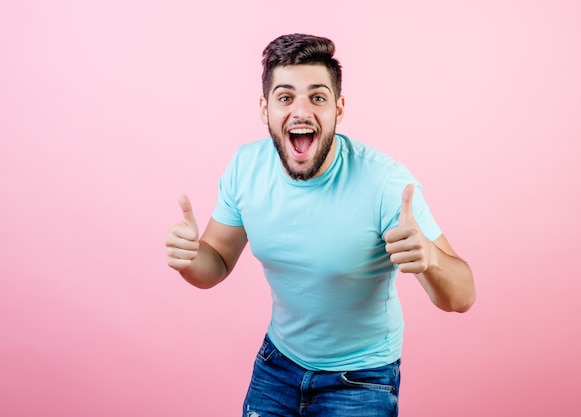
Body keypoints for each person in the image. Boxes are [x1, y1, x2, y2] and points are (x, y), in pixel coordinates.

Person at [165, 33, 476, 417]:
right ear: (264, 109)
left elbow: (462, 297)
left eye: (317, 97)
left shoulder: (385, 182)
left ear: (338, 109)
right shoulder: (245, 168)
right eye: (284, 97)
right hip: (277, 365)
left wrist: (428, 256)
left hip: (361, 379)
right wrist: (190, 258)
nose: (300, 111)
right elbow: (216, 264)